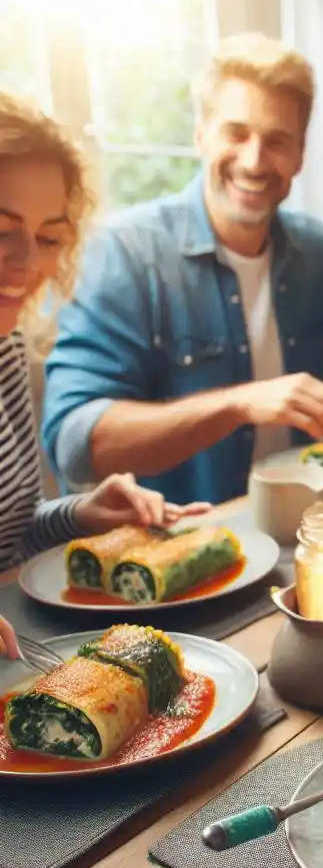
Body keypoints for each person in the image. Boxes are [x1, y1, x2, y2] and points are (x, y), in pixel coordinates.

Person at [41, 33, 323, 506]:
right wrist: (239, 404)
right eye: (236, 133)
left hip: (309, 532)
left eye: (277, 141)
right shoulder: (125, 252)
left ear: (300, 156)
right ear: (200, 135)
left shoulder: (313, 251)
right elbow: (74, 444)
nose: (254, 161)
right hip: (178, 550)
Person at [0, 91, 208, 656]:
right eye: (2, 228)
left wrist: (79, 514)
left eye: (48, 238)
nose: (27, 261)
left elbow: (9, 539)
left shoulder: (8, 347)